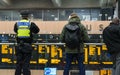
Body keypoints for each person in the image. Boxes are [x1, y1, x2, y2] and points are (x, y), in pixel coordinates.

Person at [14, 11, 40, 75]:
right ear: (28, 17)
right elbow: (37, 30)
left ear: (21, 16)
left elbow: (15, 30)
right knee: (26, 64)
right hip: (27, 46)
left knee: (18, 64)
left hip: (19, 46)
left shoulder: (17, 24)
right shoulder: (30, 24)